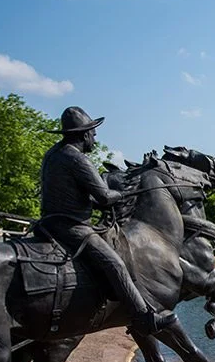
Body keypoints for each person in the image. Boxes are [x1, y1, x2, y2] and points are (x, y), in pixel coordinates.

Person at [38, 106, 175, 336]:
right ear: (84, 134)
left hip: (47, 224)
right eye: (93, 132)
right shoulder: (76, 158)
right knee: (115, 264)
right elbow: (104, 196)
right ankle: (143, 317)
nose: (95, 137)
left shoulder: (52, 154)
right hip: (73, 228)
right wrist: (121, 193)